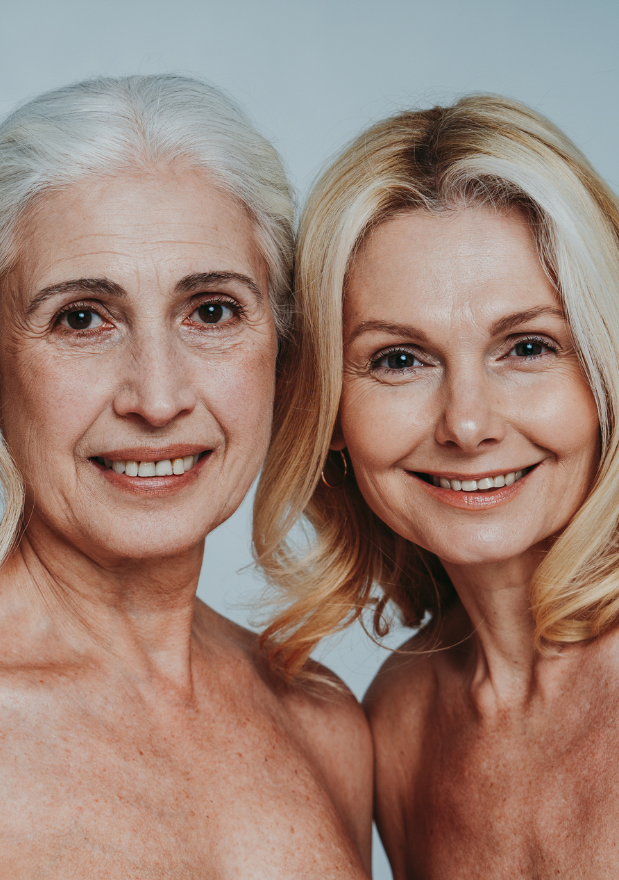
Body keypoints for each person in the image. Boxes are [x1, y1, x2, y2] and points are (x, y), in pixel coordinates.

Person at [0, 74, 372, 878]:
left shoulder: (324, 721)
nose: (157, 398)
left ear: (281, 347)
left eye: (212, 311)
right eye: (81, 318)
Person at [255, 93, 619, 878]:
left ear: (606, 372)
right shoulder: (401, 723)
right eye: (399, 360)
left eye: (528, 347)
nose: (467, 423)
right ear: (329, 410)